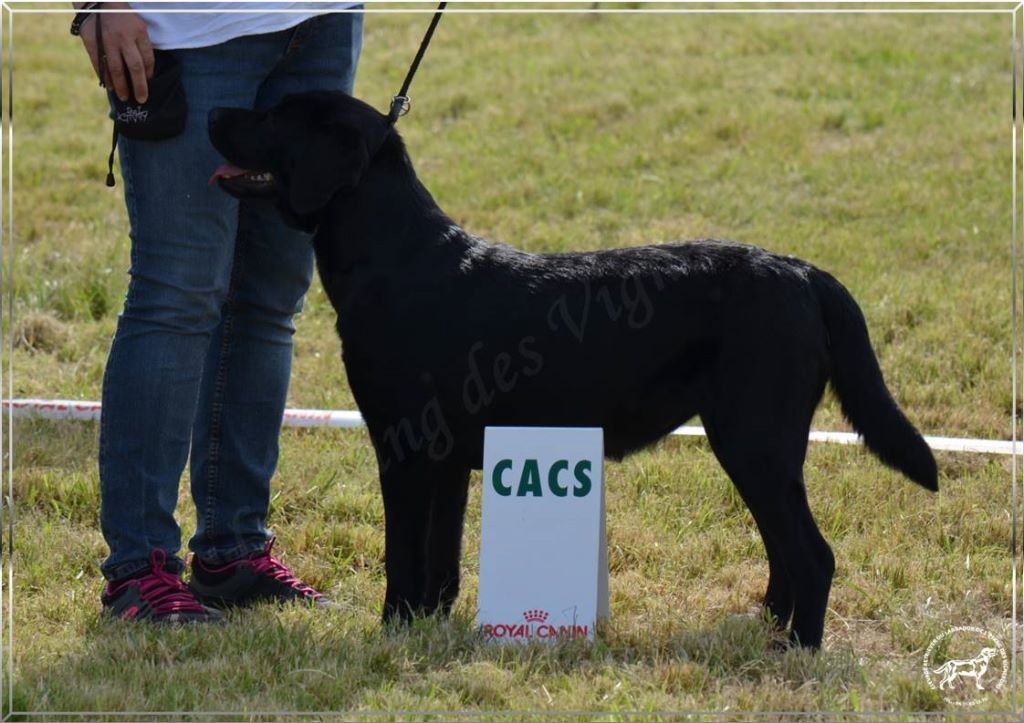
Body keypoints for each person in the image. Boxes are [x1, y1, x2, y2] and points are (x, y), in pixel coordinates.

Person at [73, 1, 363, 622]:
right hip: (183, 30)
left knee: (270, 301)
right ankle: (138, 568)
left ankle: (233, 552)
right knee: (175, 295)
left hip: (322, 21)